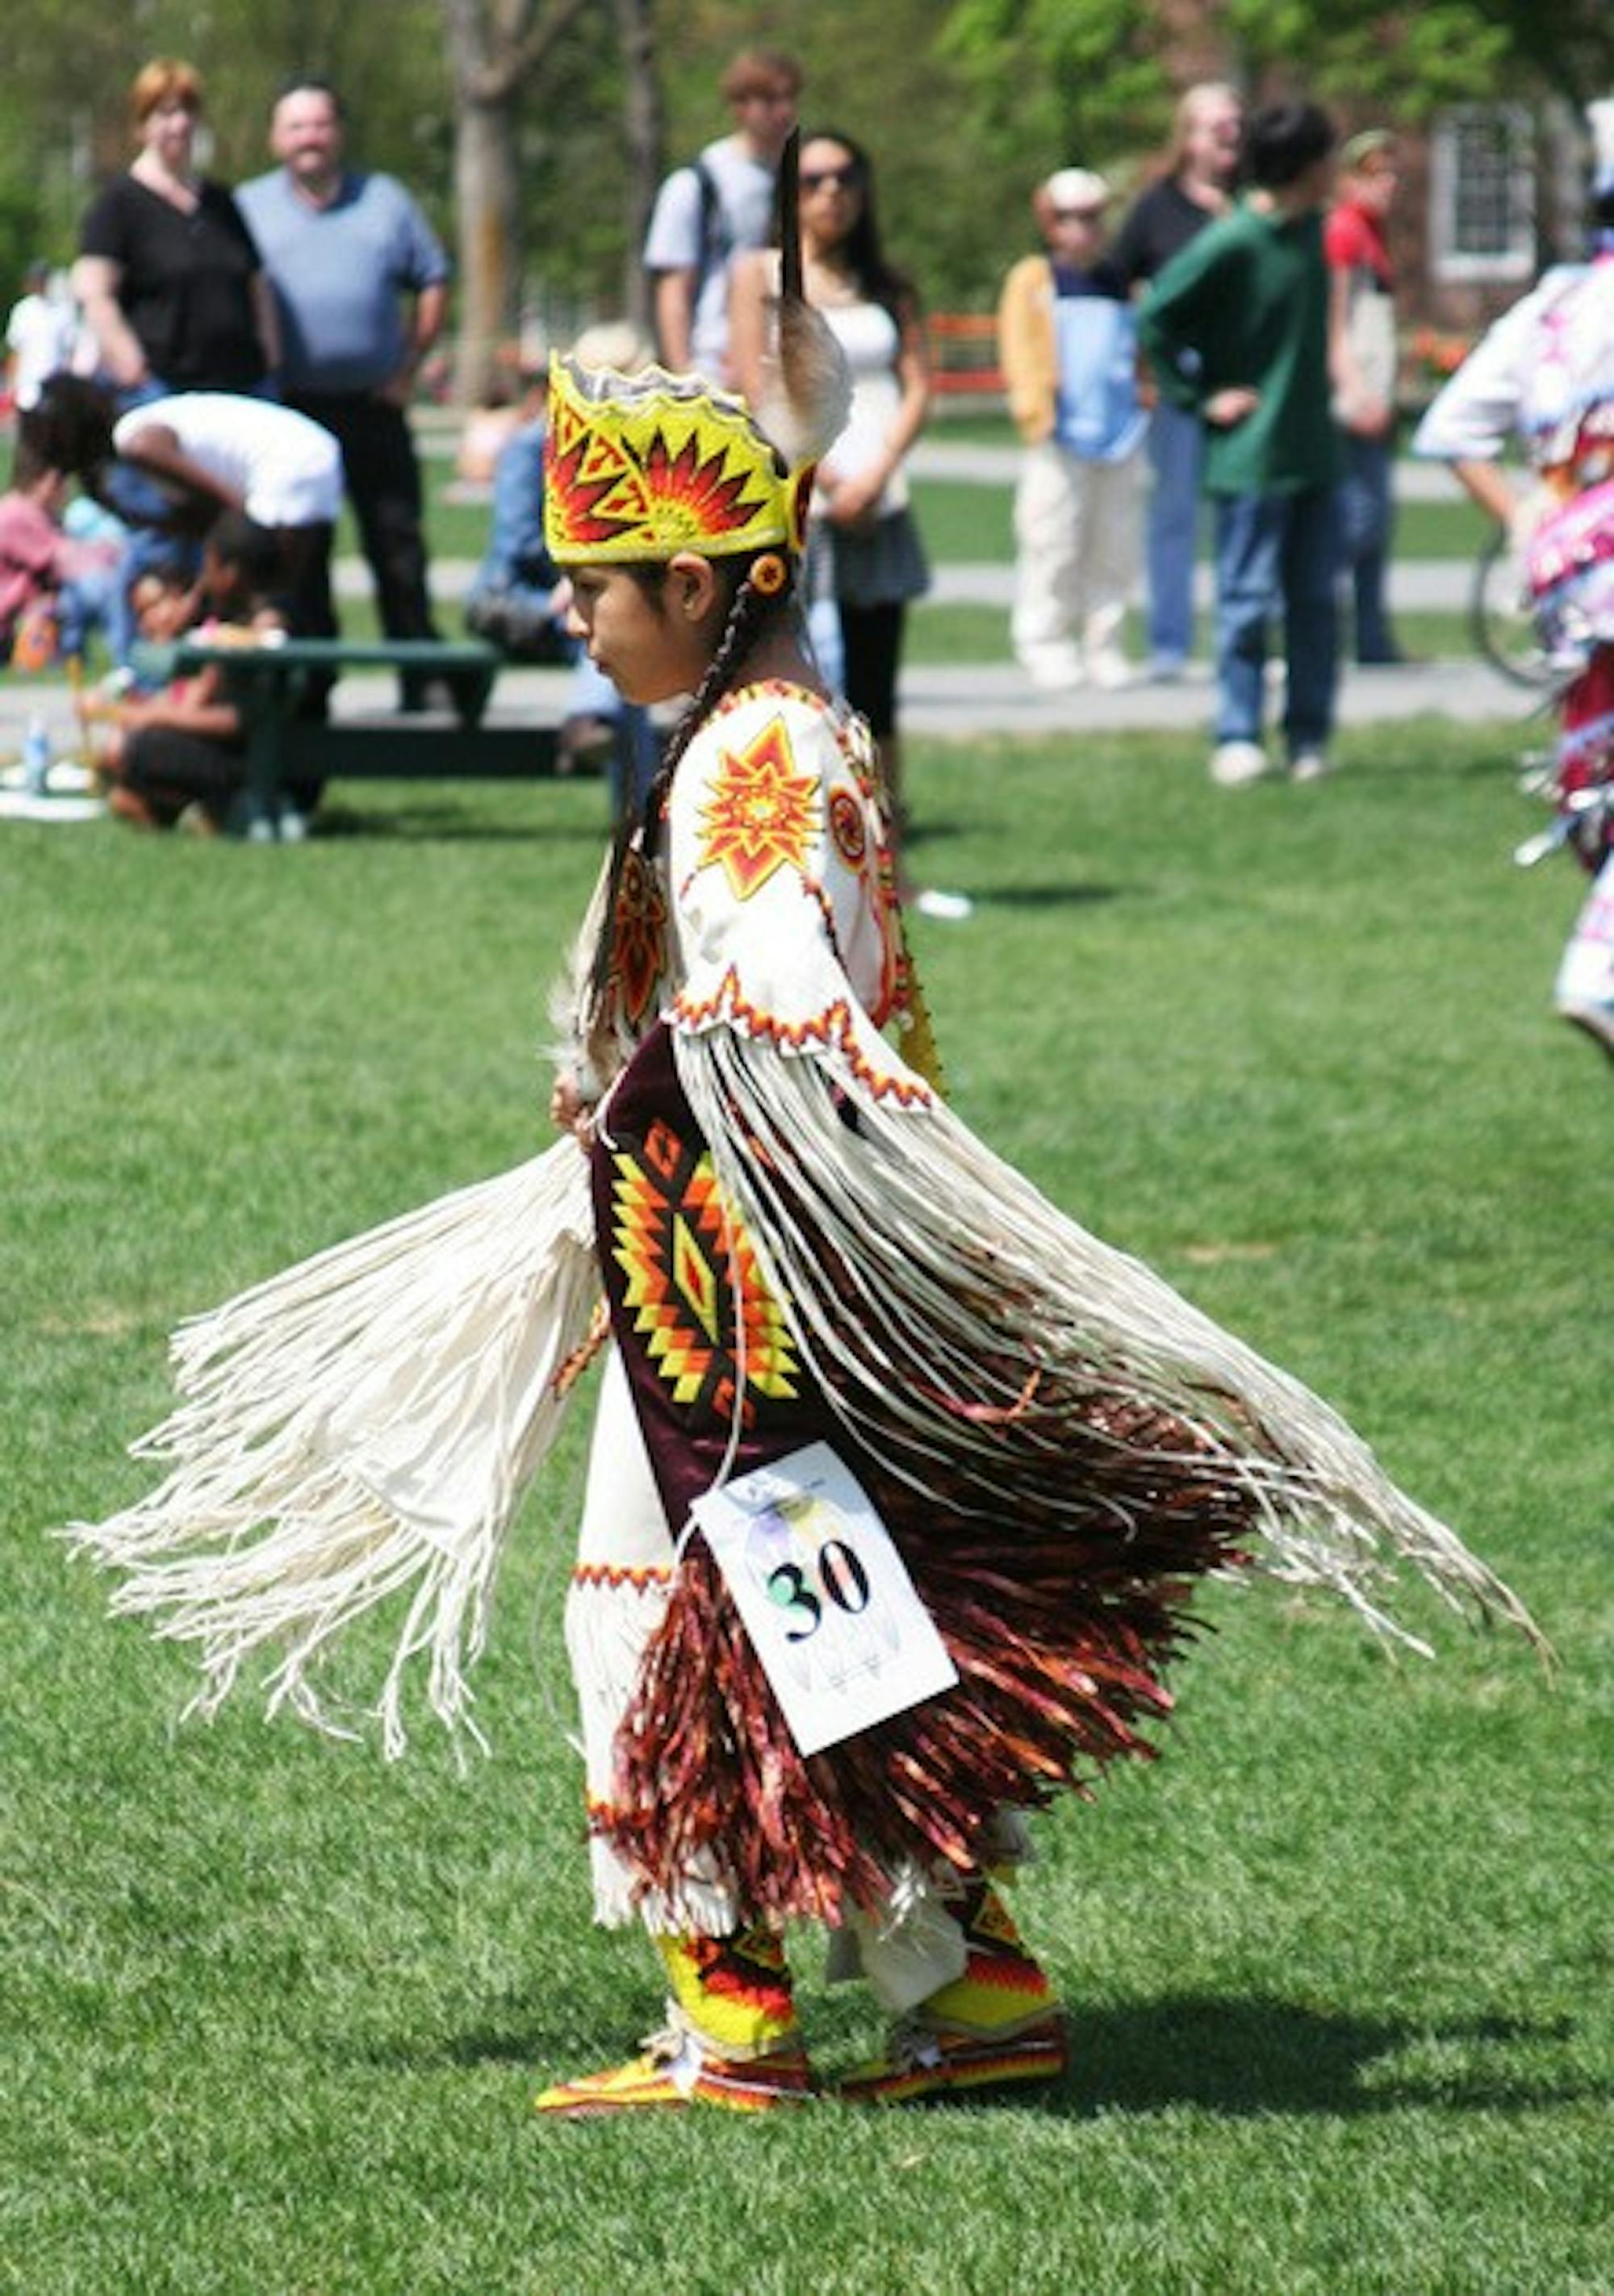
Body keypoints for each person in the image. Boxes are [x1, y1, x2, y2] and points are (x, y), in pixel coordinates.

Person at [68, 301, 1542, 2118]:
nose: (576, 616)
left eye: (599, 586)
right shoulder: (764, 725)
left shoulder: (757, 755)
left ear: (701, 584)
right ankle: (945, 1982)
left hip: (743, 1258)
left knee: (687, 1604)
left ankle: (760, 2009)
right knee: (803, 1610)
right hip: (742, 1241)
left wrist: (671, 1142)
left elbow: (773, 1000)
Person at [1413, 111, 1614, 1060]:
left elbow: (1451, 426)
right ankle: (1598, 968)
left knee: (1599, 781)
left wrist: (1530, 517)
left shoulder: (1554, 305)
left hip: (1570, 577)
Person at [730, 129, 947, 912]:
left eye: (845, 178)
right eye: (813, 179)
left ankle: (887, 871)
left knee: (876, 692)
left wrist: (877, 472)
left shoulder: (888, 285)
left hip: (878, 502)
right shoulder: (760, 275)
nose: (831, 193)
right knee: (794, 683)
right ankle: (791, 858)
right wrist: (819, 483)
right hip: (800, 503)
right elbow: (757, 386)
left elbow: (919, 387)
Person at [1140, 101, 1344, 787]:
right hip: (1250, 453)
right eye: (1328, 158)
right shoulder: (1234, 242)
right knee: (1248, 600)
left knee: (1316, 601)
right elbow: (1156, 316)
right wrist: (1201, 397)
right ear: (1307, 166)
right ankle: (1238, 731)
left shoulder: (1318, 233)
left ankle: (1309, 735)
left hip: (1314, 447)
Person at [236, 78, 450, 701]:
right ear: (277, 138)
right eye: (297, 126)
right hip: (292, 413)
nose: (310, 138)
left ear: (340, 133)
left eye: (320, 124)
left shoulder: (384, 201)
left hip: (373, 406)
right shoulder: (249, 207)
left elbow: (432, 277)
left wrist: (407, 369)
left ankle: (422, 673)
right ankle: (312, 682)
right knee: (300, 554)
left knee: (398, 546)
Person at [463, 322, 659, 820]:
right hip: (516, 597)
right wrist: (573, 579)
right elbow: (516, 545)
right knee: (612, 631)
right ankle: (645, 815)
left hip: (589, 602)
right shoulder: (533, 447)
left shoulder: (641, 450)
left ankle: (592, 727)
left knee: (616, 630)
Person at [1111, 82, 1245, 680]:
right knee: (1175, 513)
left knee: (1245, 511)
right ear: (1189, 137)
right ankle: (1170, 644)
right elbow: (1120, 281)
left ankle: (1242, 642)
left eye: (1236, 127)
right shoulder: (1158, 207)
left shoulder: (1253, 204)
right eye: (1218, 128)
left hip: (1246, 374)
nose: (1230, 139)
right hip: (1180, 378)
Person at [31, 374, 341, 628]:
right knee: (294, 591)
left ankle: (234, 695)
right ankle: (303, 694)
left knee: (259, 593)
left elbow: (231, 517)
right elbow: (206, 514)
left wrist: (196, 597)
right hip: (312, 451)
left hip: (286, 465)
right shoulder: (141, 426)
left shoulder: (137, 442)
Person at [997, 167, 1146, 692]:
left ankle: (1105, 644)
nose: (1081, 228)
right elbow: (1020, 351)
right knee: (1052, 539)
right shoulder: (1034, 279)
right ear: (1049, 222)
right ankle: (1046, 642)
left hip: (1118, 431)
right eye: (1069, 218)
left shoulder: (1117, 279)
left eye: (1091, 216)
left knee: (1113, 545)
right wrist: (1036, 411)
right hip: (1059, 433)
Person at [73, 60, 276, 400]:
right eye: (165, 114)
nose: (179, 124)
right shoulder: (119, 203)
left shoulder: (220, 202)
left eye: (187, 112)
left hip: (242, 386)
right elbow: (94, 294)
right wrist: (129, 364)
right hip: (162, 389)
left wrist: (270, 354)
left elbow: (256, 284)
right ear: (141, 125)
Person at [97, 508, 283, 834]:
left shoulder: (259, 630)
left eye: (209, 565)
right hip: (244, 750)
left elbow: (237, 719)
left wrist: (154, 717)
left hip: (249, 758)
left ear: (231, 572)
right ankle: (175, 808)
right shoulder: (237, 622)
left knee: (136, 748)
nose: (205, 577)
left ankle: (187, 810)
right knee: (132, 741)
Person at [642, 47, 802, 383]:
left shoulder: (807, 179)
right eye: (771, 100)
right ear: (741, 106)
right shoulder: (697, 184)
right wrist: (685, 372)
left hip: (785, 362)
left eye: (790, 97)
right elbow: (674, 288)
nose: (784, 111)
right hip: (715, 363)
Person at [1327, 129, 1407, 667]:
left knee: (1375, 522)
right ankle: (1328, 633)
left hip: (1376, 399)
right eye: (1373, 173)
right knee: (1352, 524)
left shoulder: (1374, 235)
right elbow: (1334, 326)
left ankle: (1373, 638)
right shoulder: (1345, 233)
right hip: (1353, 404)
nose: (1387, 184)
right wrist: (1354, 392)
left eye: (1391, 173)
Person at [0, 406, 122, 665]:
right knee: (93, 586)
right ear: (45, 480)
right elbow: (64, 560)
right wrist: (111, 555)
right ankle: (118, 651)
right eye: (60, 483)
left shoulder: (38, 515)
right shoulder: (16, 514)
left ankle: (74, 656)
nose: (64, 492)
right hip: (13, 619)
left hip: (29, 612)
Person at [6, 260, 77, 413]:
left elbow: (70, 351)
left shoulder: (64, 310)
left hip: (55, 384)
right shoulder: (23, 310)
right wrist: (11, 384)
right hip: (27, 384)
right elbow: (16, 350)